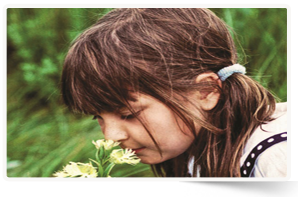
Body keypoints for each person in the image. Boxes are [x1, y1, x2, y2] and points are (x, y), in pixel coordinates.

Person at [61, 8, 287, 177]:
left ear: (205, 91)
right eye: (98, 117)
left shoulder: (280, 157)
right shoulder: (192, 147)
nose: (110, 137)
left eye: (128, 114)